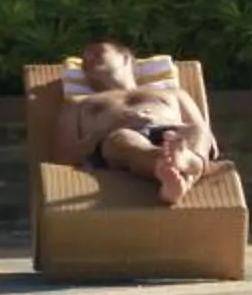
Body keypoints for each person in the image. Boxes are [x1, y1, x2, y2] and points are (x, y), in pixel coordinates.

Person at [62, 37, 217, 202]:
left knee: (197, 130)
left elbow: (209, 140)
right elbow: (62, 156)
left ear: (126, 58)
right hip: (120, 140)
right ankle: (170, 164)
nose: (88, 59)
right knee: (122, 138)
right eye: (85, 59)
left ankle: (183, 164)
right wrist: (108, 130)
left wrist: (183, 142)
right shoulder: (78, 106)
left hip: (173, 136)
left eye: (98, 52)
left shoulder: (175, 93)